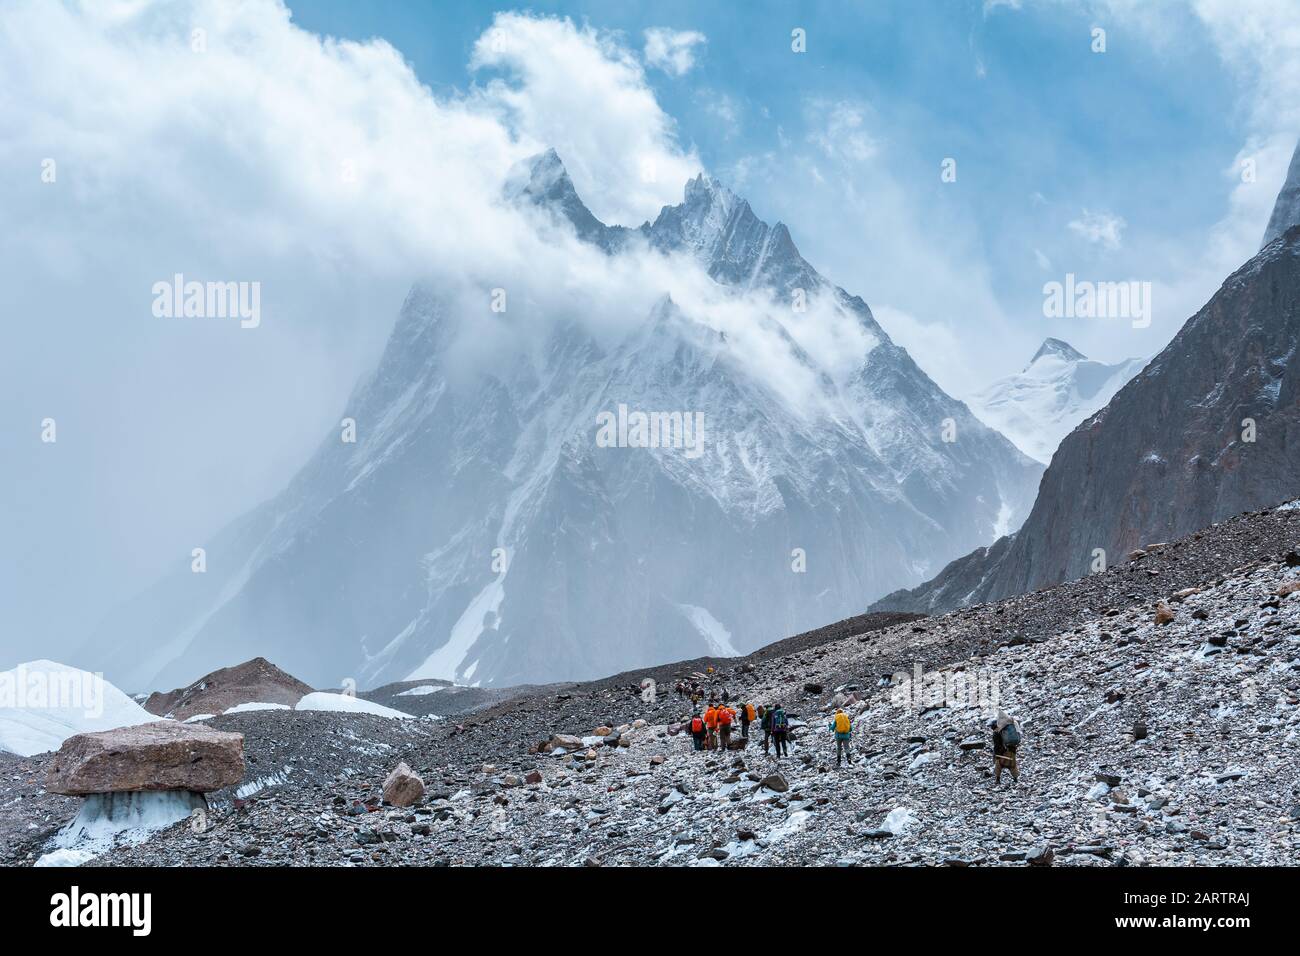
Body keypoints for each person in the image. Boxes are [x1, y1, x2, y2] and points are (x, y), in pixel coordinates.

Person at [992, 710, 1022, 784]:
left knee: (998, 766)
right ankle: (1015, 779)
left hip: (1003, 752)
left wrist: (996, 754)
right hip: (1012, 750)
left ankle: (997, 780)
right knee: (1012, 765)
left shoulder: (996, 733)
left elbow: (997, 745)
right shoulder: (1006, 730)